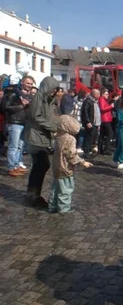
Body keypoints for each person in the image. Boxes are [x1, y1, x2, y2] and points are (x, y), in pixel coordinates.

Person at [23, 76, 60, 208]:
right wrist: (52, 126)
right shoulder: (39, 97)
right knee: (42, 164)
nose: (53, 92)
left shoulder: (49, 100)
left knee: (41, 165)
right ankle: (33, 196)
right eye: (53, 89)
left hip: (42, 137)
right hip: (35, 136)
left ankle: (33, 194)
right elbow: (35, 117)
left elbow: (50, 116)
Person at [48, 115, 92, 214]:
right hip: (65, 168)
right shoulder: (70, 139)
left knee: (56, 187)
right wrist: (82, 162)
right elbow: (71, 155)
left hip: (56, 166)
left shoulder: (58, 136)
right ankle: (64, 208)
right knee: (66, 188)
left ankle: (52, 206)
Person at [3, 74, 35, 176]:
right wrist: (22, 105)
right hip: (14, 122)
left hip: (24, 122)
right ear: (22, 82)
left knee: (20, 146)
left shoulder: (25, 94)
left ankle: (17, 165)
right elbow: (6, 107)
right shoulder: (13, 93)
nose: (29, 85)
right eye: (27, 83)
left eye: (31, 84)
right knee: (13, 146)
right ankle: (11, 167)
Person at [81, 89, 101, 157]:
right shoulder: (88, 101)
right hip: (90, 122)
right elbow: (85, 112)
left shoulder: (95, 101)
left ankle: (89, 150)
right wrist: (87, 121)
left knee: (92, 137)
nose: (99, 95)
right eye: (98, 94)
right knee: (88, 137)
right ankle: (86, 152)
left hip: (95, 122)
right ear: (94, 94)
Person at [98, 89, 114, 155]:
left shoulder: (103, 100)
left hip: (105, 119)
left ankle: (100, 149)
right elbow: (102, 109)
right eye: (106, 94)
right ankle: (106, 148)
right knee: (110, 133)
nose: (108, 95)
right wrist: (111, 106)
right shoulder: (101, 99)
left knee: (102, 135)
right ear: (102, 94)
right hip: (105, 119)